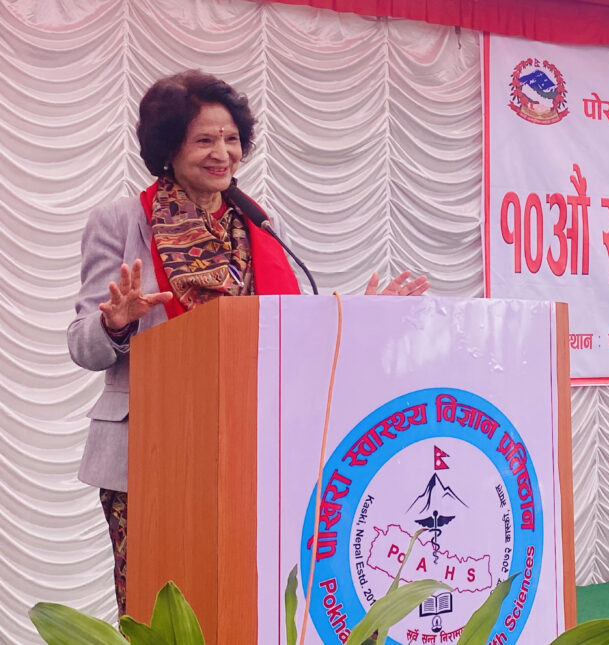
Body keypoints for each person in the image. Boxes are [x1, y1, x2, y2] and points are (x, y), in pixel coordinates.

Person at [67, 69, 428, 617]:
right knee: (154, 605)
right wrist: (116, 323)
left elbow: (288, 329)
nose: (223, 154)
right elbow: (82, 346)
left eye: (231, 138)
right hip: (147, 451)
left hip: (248, 444)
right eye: (204, 140)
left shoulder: (257, 224)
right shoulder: (121, 221)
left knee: (240, 598)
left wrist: (361, 314)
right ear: (169, 147)